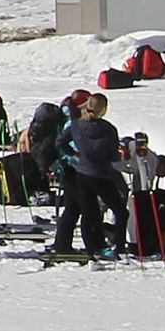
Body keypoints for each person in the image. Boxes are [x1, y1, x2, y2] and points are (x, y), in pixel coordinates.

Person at [51, 93, 125, 261]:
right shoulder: (108, 129)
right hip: (101, 174)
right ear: (103, 109)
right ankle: (119, 248)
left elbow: (60, 142)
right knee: (120, 211)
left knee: (87, 212)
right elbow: (113, 156)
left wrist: (74, 154)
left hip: (81, 173)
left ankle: (90, 250)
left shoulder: (76, 125)